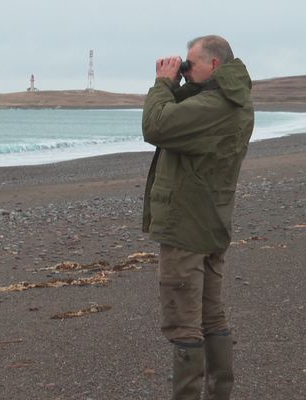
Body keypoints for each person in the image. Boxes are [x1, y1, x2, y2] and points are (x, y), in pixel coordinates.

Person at [142, 35, 254, 399]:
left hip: (188, 228)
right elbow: (179, 120)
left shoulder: (215, 105)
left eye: (191, 64)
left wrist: (162, 84)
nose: (185, 70)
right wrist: (182, 84)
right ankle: (220, 393)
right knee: (211, 317)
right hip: (211, 222)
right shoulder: (231, 101)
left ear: (215, 65)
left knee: (184, 324)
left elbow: (156, 126)